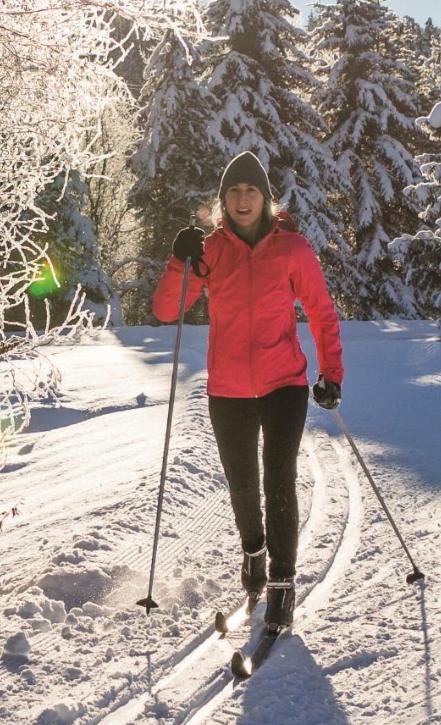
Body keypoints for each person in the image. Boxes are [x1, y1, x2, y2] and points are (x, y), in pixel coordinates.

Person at [152, 150, 344, 630]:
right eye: (234, 191)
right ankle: (253, 552)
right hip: (229, 389)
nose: (242, 199)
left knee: (278, 477)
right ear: (223, 199)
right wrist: (180, 260)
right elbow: (165, 311)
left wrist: (331, 373)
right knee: (242, 484)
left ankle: (282, 582)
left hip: (285, 384)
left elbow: (321, 311)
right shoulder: (211, 250)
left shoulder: (292, 248)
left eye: (251, 190)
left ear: (265, 198)